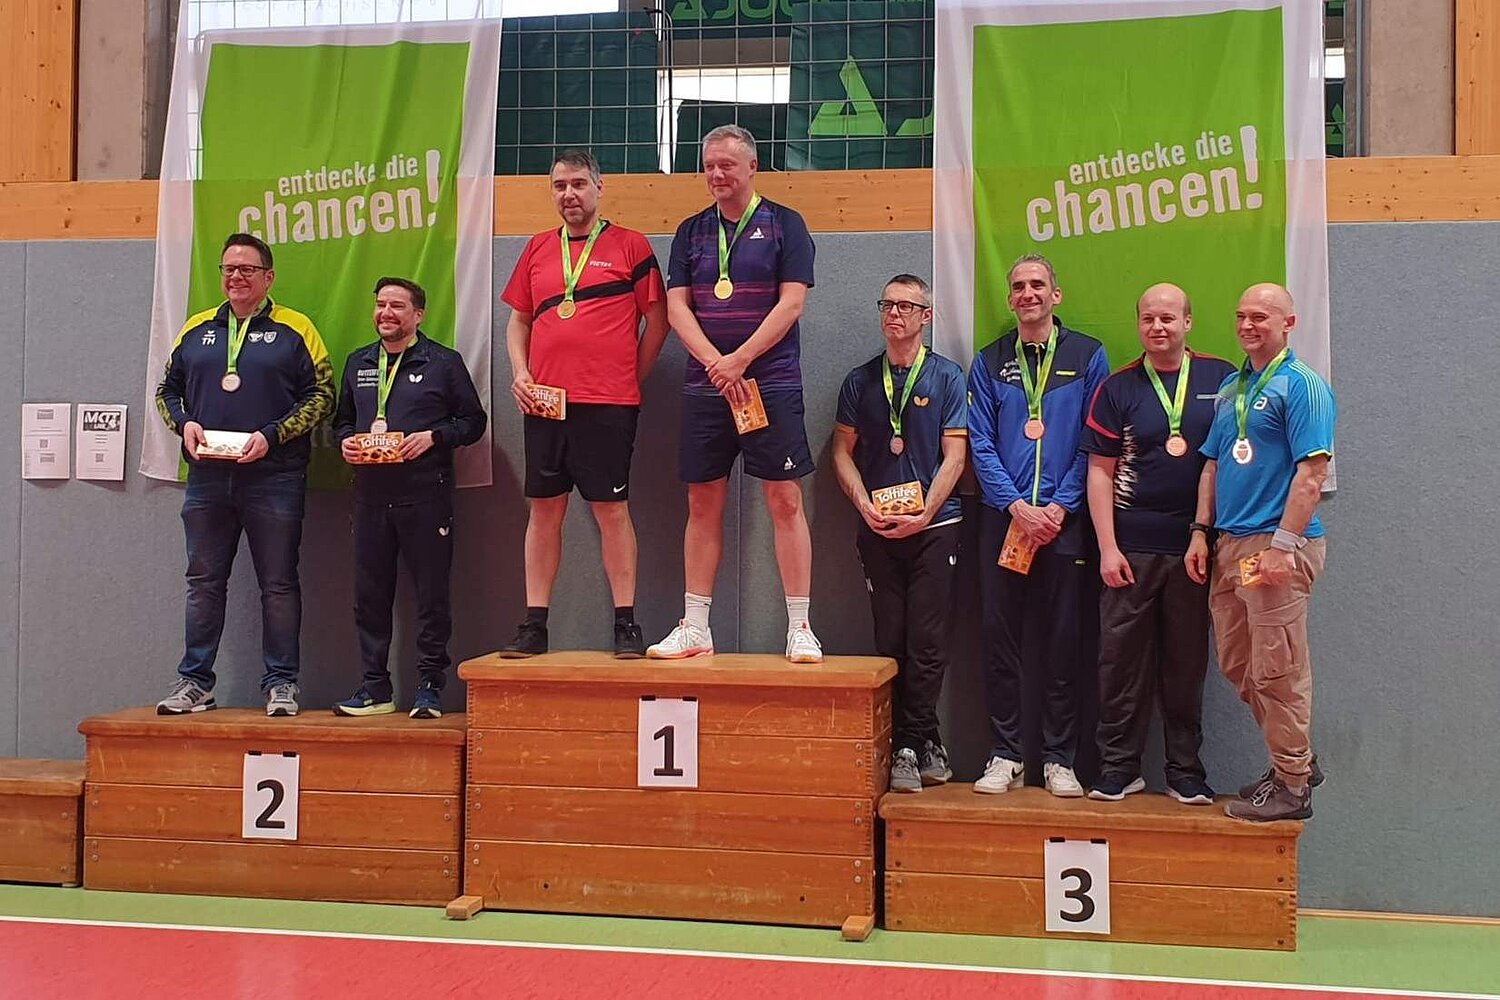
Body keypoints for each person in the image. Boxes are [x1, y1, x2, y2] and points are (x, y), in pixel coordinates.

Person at [648, 124, 821, 663]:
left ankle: (800, 626)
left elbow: (792, 304)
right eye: (708, 166)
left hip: (769, 384)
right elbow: (677, 308)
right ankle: (696, 626)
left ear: (752, 166)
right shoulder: (690, 231)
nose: (716, 174)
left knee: (785, 499)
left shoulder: (786, 224)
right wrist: (716, 365)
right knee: (702, 502)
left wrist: (739, 361)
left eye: (726, 164)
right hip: (707, 388)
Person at [154, 232, 335, 717]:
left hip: (275, 477)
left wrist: (273, 436)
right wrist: (183, 424)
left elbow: (323, 395)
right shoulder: (196, 328)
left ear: (268, 277)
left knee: (278, 584)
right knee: (203, 582)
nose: (236, 277)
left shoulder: (296, 328)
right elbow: (166, 391)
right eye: (229, 269)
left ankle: (281, 684)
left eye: (247, 269)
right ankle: (196, 682)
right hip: (208, 478)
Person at [498, 149, 668, 658]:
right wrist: (521, 373)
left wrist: (629, 378)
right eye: (559, 186)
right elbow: (519, 321)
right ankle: (533, 625)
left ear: (599, 187)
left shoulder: (631, 245)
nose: (568, 194)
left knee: (611, 511)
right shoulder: (536, 247)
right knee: (543, 511)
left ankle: (626, 624)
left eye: (577, 184)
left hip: (608, 404)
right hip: (545, 404)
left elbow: (658, 322)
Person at [1187, 282, 1335, 822]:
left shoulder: (1304, 387)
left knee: (1278, 670)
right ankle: (1295, 760)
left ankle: (1293, 786)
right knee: (1240, 664)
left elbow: (1311, 475)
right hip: (1230, 546)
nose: (1247, 325)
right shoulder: (1233, 387)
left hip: (1276, 545)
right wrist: (1200, 532)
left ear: (1288, 323)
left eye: (1260, 317)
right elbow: (1213, 464)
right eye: (1241, 316)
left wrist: (1282, 546)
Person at [1081, 283, 1234, 805]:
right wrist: (1107, 547)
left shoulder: (1221, 379)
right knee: (1119, 664)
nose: (1158, 327)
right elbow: (1099, 472)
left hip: (1196, 549)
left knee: (1186, 666)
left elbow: (1230, 460)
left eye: (1168, 318)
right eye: (1148, 318)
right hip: (1130, 549)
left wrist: (1208, 533)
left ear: (1188, 322)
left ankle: (1185, 772)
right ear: (1139, 324)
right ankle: (1118, 768)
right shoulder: (1117, 388)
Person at [967, 253, 1109, 796]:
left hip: (1063, 523)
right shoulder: (988, 361)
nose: (1028, 294)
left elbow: (1093, 441)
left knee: (1064, 642)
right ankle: (1005, 754)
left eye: (1037, 285)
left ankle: (1058, 759)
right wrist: (1015, 506)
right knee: (998, 639)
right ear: (1009, 299)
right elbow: (980, 442)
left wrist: (1059, 507)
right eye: (1019, 287)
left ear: (1056, 294)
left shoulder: (1088, 355)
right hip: (1003, 522)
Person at [832, 275, 967, 792]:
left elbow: (956, 456)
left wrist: (926, 512)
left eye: (906, 306)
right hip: (879, 528)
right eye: (887, 304)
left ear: (926, 316)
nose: (894, 313)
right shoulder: (860, 381)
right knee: (890, 640)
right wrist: (863, 503)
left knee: (927, 641)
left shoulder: (947, 377)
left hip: (936, 526)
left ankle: (908, 746)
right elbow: (841, 451)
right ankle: (924, 743)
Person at [331, 277, 487, 719]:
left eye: (397, 306)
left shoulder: (443, 363)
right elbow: (342, 420)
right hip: (369, 499)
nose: (386, 313)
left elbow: (473, 422)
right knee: (369, 597)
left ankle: (428, 689)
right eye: (381, 304)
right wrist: (345, 440)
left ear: (418, 315)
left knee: (431, 597)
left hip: (425, 497)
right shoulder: (358, 362)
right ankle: (374, 689)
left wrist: (434, 437)